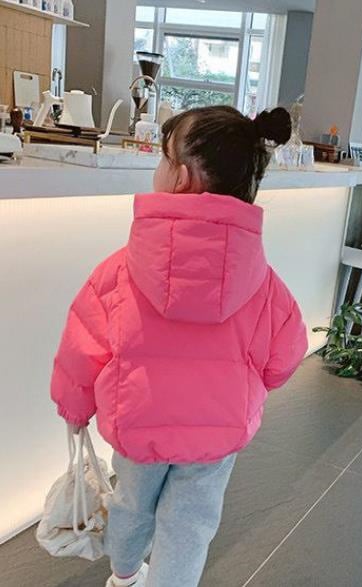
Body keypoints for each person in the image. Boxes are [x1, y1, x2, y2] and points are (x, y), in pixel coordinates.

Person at [50, 105, 308, 587]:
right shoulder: (265, 284)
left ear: (182, 177)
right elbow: (285, 355)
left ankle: (125, 576)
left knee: (131, 503)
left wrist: (74, 405)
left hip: (138, 422)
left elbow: (83, 345)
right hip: (217, 429)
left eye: (162, 157)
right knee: (191, 522)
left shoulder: (118, 271)